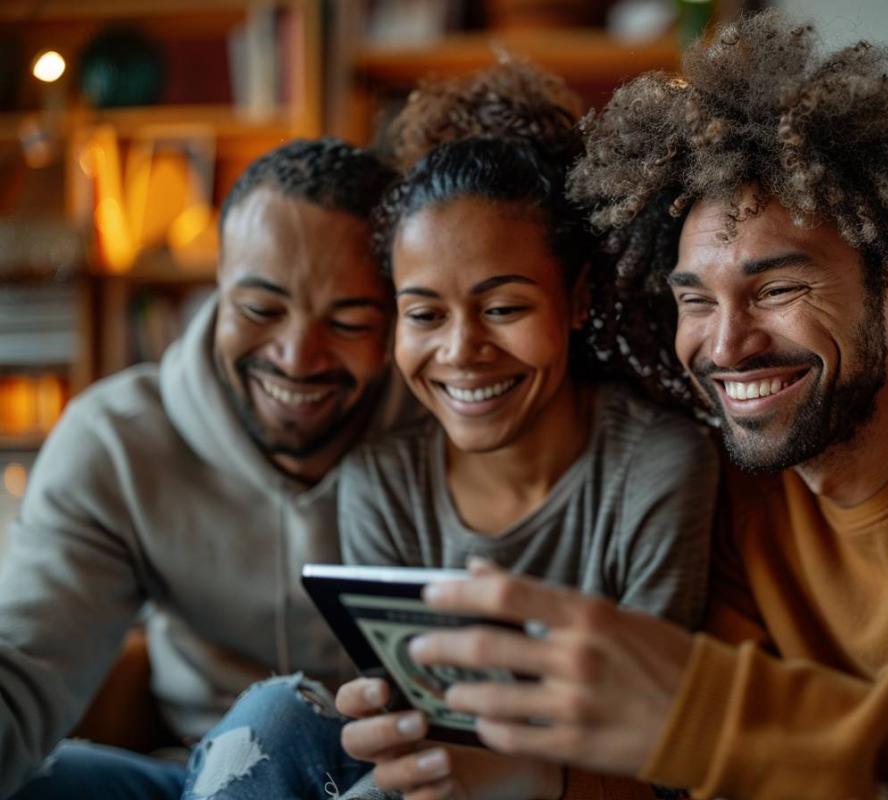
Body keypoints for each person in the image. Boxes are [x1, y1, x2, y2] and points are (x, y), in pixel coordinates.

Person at [336, 13, 888, 799]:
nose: (727, 342)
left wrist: (707, 708)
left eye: (777, 287)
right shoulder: (738, 491)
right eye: (696, 300)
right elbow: (706, 772)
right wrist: (528, 775)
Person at [176, 64, 717, 800]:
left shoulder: (654, 468)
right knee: (275, 718)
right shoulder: (381, 482)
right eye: (425, 315)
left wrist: (529, 778)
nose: (461, 351)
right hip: (436, 785)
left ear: (580, 298)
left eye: (503, 308)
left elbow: (662, 759)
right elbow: (413, 740)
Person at [0, 138, 415, 800]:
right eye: (260, 309)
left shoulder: (447, 433)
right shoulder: (118, 442)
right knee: (40, 779)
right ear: (215, 282)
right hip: (196, 777)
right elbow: (22, 665)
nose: (296, 357)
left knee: (277, 719)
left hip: (392, 781)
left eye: (347, 321)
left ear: (396, 315)